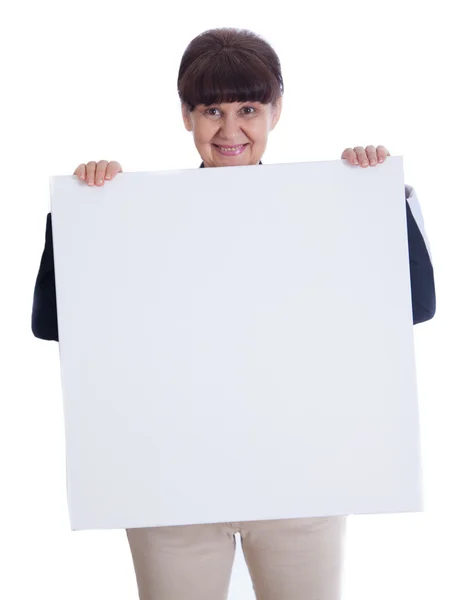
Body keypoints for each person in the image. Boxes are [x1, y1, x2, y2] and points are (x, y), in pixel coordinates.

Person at [31, 27, 436, 600]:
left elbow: (416, 306)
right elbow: (52, 324)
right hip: (169, 489)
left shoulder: (328, 209)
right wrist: (79, 221)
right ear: (185, 116)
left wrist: (381, 203)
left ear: (276, 110)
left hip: (302, 483)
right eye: (210, 111)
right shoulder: (134, 215)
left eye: (248, 108)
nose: (229, 130)